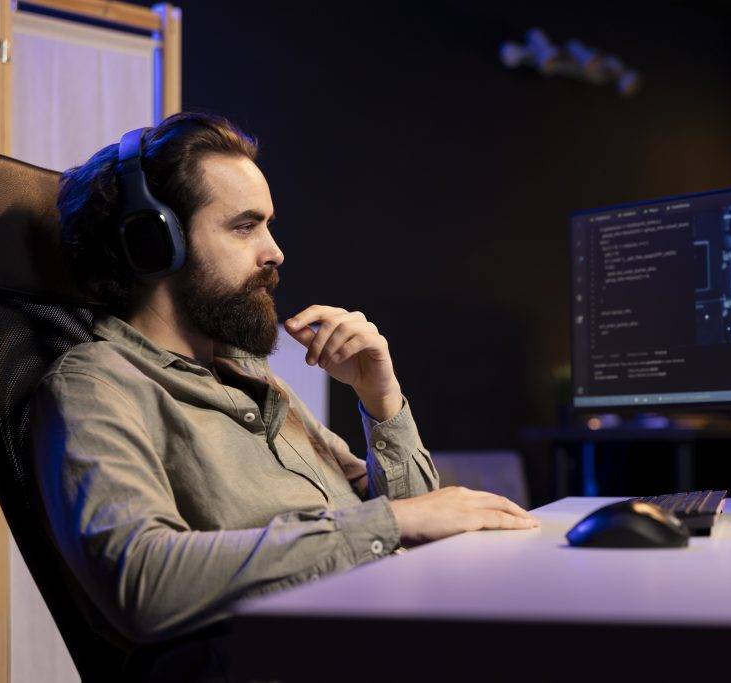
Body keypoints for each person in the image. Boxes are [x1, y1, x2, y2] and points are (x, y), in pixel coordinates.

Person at [31, 111, 539, 664]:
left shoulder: (254, 379)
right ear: (154, 244)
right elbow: (141, 582)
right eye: (244, 226)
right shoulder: (98, 384)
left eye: (268, 226)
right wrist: (393, 522)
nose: (275, 252)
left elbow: (420, 530)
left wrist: (381, 400)